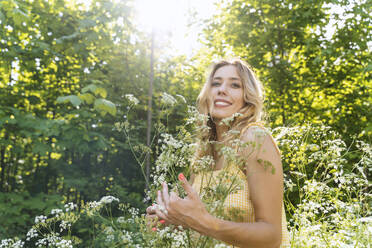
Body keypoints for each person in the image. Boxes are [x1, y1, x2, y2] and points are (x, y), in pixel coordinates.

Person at [146, 59, 290, 247]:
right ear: (207, 93)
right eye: (216, 83)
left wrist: (204, 222)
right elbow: (199, 229)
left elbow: (272, 237)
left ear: (248, 97)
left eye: (235, 85)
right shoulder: (202, 155)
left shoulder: (254, 139)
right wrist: (170, 221)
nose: (222, 89)